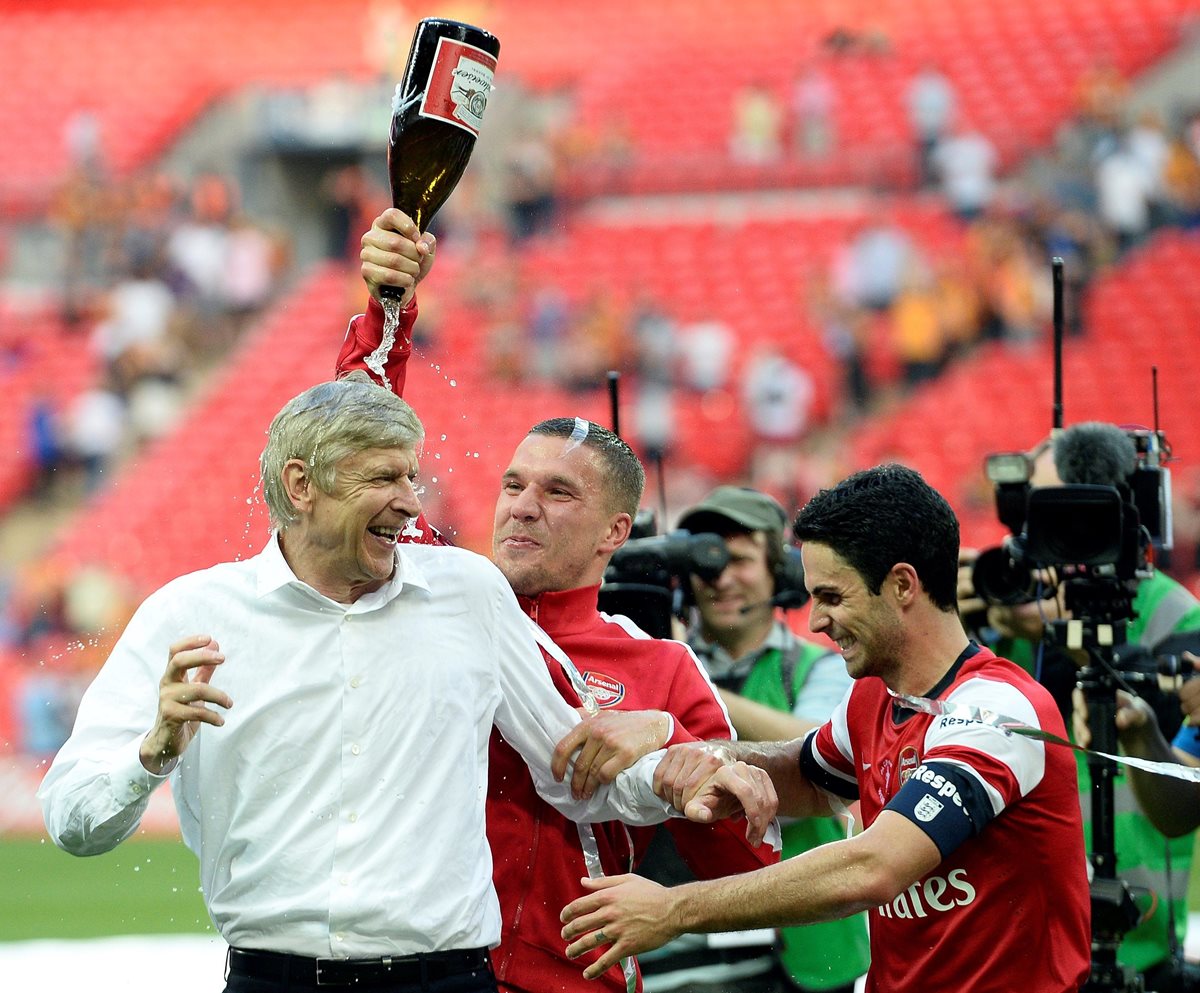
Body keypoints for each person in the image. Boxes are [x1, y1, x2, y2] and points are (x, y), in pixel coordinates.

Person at [38, 375, 775, 993]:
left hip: (447, 976)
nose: (412, 502)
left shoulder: (465, 592)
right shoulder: (189, 615)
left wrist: (677, 776)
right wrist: (154, 751)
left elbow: (573, 768)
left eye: (412, 474)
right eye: (384, 477)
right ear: (302, 486)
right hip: (271, 976)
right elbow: (74, 821)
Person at [341, 208, 782, 993]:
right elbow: (350, 447)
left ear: (617, 530)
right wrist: (389, 309)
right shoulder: (429, 594)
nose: (521, 505)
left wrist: (672, 739)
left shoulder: (662, 667)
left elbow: (741, 858)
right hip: (418, 974)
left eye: (557, 491)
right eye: (512, 484)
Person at [560, 463, 1091, 993]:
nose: (814, 621)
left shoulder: (996, 709)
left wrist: (674, 910)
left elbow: (873, 867)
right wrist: (683, 746)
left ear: (902, 585)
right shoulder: (874, 697)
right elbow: (809, 777)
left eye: (833, 598)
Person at [959, 423, 1200, 990]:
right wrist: (958, 621)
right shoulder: (1002, 606)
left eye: (1064, 511)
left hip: (1136, 941)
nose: (1045, 533)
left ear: (1114, 512)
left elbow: (1162, 746)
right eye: (1035, 513)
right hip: (1011, 938)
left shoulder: (1174, 614)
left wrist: (1053, 633)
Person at [637, 486, 868, 993]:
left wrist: (690, 678)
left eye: (738, 560)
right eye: (705, 561)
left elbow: (825, 751)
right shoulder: (651, 663)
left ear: (779, 574)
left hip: (801, 954)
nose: (721, 578)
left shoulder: (821, 667)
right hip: (671, 947)